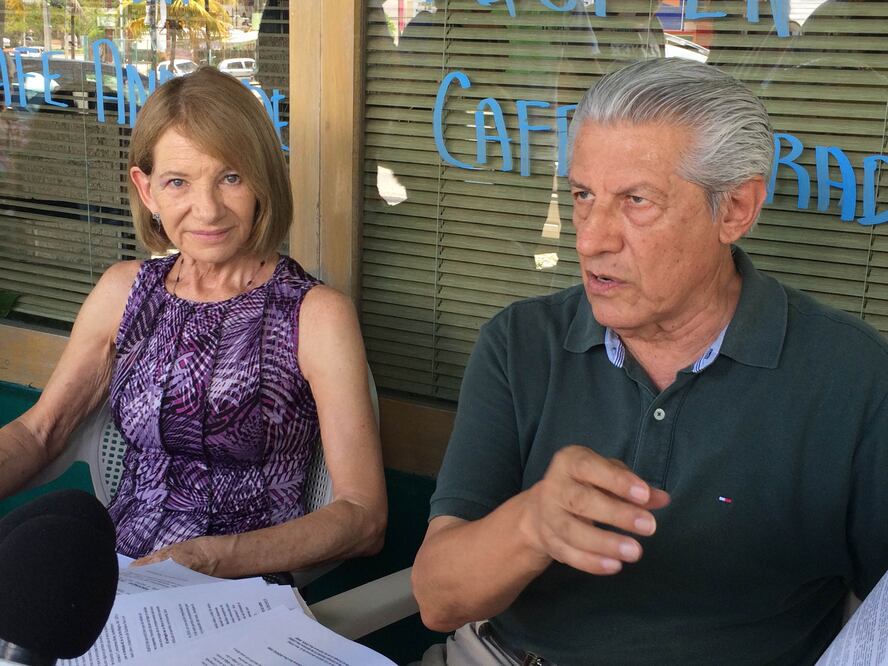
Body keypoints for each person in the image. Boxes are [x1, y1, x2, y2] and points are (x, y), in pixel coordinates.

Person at [411, 58, 888, 665]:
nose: (588, 240)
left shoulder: (850, 375)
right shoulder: (521, 343)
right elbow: (437, 600)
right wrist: (533, 525)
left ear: (735, 210)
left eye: (636, 201)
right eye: (582, 195)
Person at [0, 66, 387, 578]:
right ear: (147, 190)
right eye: (178, 182)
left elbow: (364, 518)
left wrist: (212, 556)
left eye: (231, 177)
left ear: (262, 180)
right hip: (114, 574)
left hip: (238, 588)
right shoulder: (124, 292)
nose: (207, 210)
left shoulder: (315, 315)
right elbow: (42, 431)